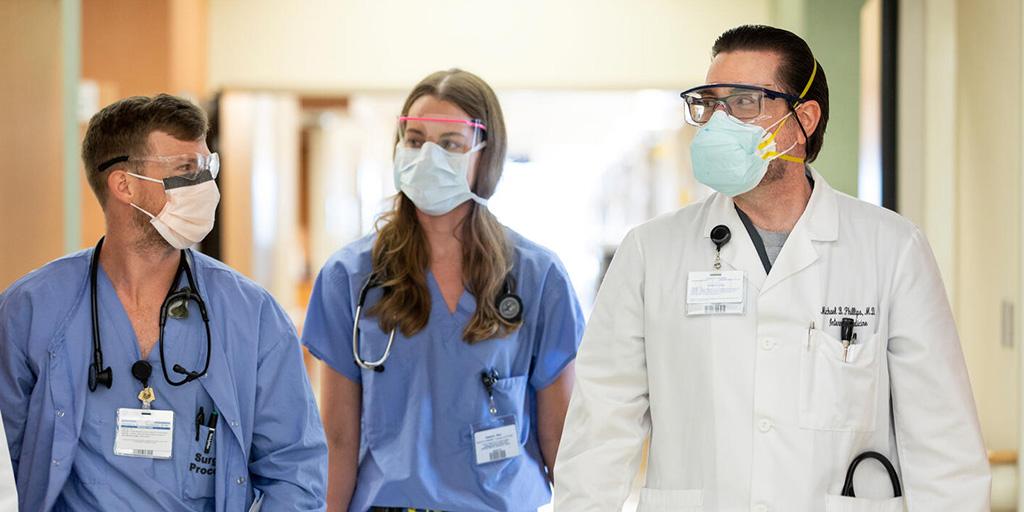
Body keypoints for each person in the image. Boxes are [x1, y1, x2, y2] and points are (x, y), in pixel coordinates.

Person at [554, 25, 990, 511]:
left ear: (804, 118)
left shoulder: (891, 249)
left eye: (743, 103)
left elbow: (942, 441)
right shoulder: (649, 253)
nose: (719, 123)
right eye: (710, 104)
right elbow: (600, 430)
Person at [0, 94, 328, 511]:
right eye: (185, 170)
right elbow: (4, 465)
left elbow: (295, 471)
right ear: (124, 185)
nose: (206, 187)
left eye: (208, 168)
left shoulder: (251, 315)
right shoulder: (31, 310)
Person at [302, 68, 585, 512]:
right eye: (415, 140)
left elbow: (560, 435)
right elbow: (337, 440)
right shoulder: (350, 277)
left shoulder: (537, 277)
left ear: (484, 155)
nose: (428, 156)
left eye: (451, 144)